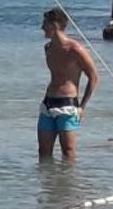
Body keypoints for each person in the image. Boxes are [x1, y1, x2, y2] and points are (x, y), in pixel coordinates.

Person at [37, 8, 97, 161]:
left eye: (45, 23)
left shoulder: (75, 49)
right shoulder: (48, 48)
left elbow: (93, 77)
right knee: (43, 153)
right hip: (48, 103)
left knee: (68, 153)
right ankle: (47, 183)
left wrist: (82, 107)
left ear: (55, 25)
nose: (42, 27)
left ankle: (69, 183)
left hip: (68, 104)